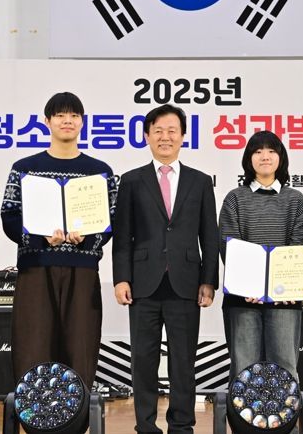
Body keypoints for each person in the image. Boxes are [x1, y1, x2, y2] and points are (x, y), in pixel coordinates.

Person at [112, 104, 219, 434]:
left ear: (183, 136)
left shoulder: (200, 181)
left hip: (186, 282)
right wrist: (121, 278)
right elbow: (122, 236)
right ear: (147, 136)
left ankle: (182, 425)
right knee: (143, 360)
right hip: (142, 283)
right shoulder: (131, 180)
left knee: (183, 360)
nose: (165, 137)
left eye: (172, 130)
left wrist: (209, 280)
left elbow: (209, 236)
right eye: (158, 130)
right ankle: (145, 425)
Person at [0, 92, 117, 385]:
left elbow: (111, 221)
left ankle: (76, 410)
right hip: (36, 268)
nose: (68, 121)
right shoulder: (25, 168)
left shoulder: (99, 172)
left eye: (74, 116)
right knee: (33, 345)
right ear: (47, 121)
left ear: (83, 122)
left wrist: (87, 238)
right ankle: (34, 410)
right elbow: (10, 216)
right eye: (60, 115)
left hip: (83, 270)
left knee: (81, 346)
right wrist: (39, 240)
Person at [219, 130, 303, 385]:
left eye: (271, 151)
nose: (265, 156)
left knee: (285, 366)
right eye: (258, 151)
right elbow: (229, 245)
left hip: (284, 299)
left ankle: (286, 414)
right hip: (243, 299)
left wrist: (283, 286)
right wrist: (249, 286)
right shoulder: (235, 198)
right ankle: (242, 414)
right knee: (244, 367)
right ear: (248, 158)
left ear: (281, 157)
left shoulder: (295, 200)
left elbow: (300, 245)